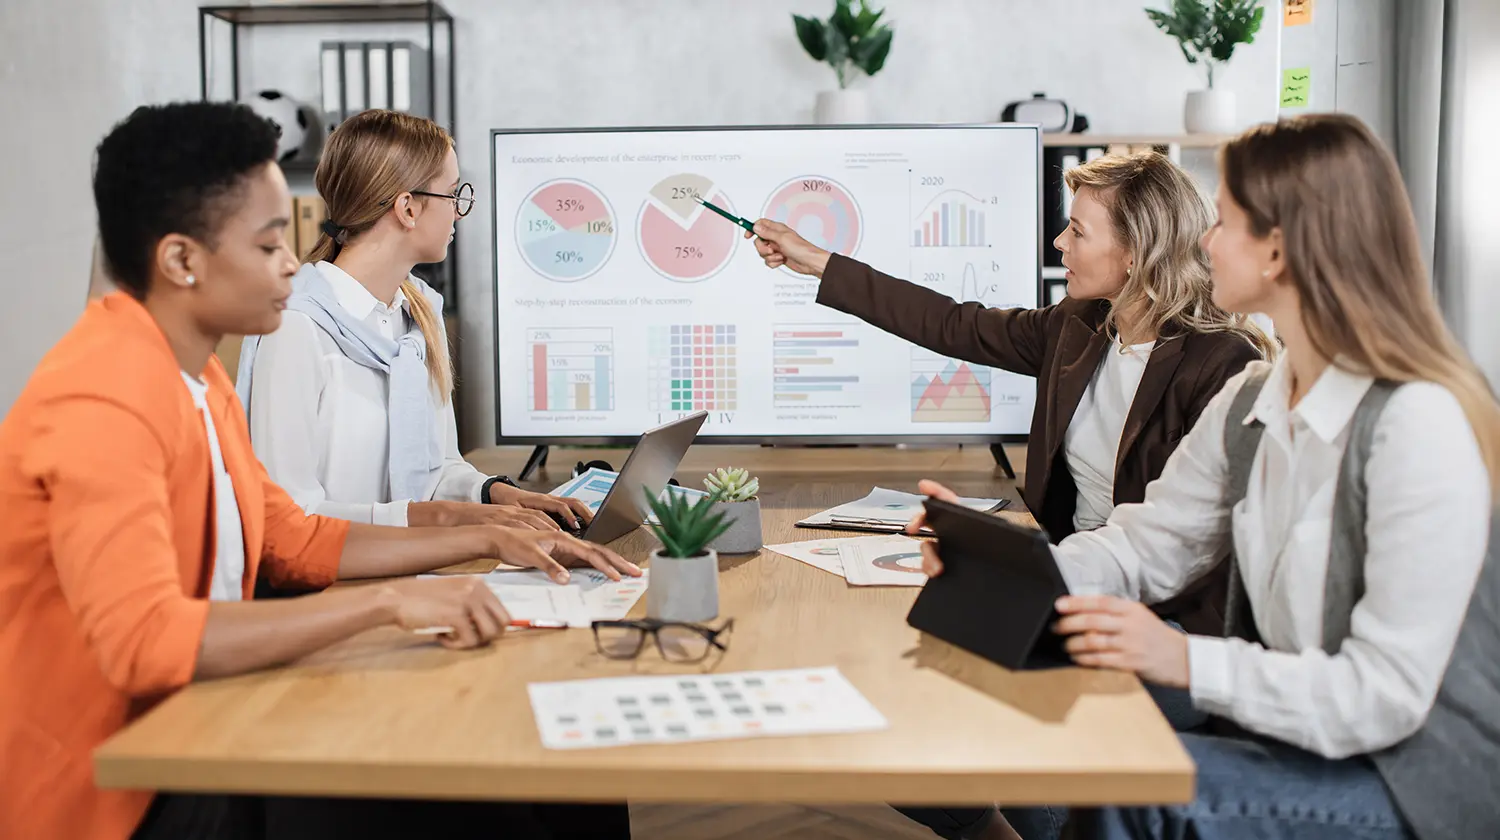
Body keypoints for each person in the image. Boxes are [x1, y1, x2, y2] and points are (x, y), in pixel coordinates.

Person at [0, 102, 635, 840]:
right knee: (497, 798)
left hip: (205, 726)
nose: (292, 265)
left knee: (565, 785)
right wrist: (386, 603)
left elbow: (292, 537)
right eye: (271, 244)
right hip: (130, 789)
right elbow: (147, 643)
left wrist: (489, 536)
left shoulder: (197, 378)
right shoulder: (102, 398)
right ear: (181, 261)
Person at [909, 113, 1499, 840]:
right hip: (1288, 741)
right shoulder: (1254, 397)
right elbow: (1146, 546)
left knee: (1132, 792)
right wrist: (998, 572)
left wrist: (1183, 658)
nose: (1203, 241)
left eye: (1223, 222)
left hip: (1406, 781)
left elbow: (1386, 697)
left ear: (1279, 250)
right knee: (966, 710)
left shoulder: (1417, 423)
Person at [750, 152, 1273, 641]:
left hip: (1160, 615)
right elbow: (954, 324)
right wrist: (819, 261)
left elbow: (1192, 544)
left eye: (1078, 231)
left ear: (1135, 252)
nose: (1059, 243)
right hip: (1071, 572)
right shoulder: (1080, 325)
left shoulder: (1220, 363)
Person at [236, 109, 589, 534]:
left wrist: (499, 494)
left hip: (412, 567)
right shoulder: (295, 328)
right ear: (407, 208)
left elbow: (435, 471)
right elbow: (288, 515)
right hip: (337, 585)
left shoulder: (419, 313)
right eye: (453, 194)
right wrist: (441, 518)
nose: (460, 212)